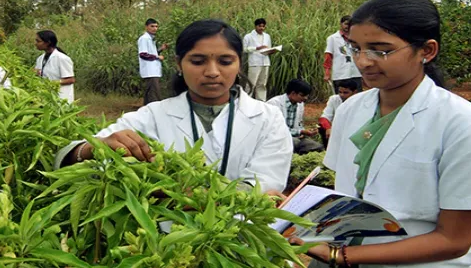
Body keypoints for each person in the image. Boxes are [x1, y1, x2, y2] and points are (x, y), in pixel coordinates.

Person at [296, 0, 471, 267]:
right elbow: (351, 194)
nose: (362, 62)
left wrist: (341, 255)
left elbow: (454, 240)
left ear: (427, 51)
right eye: (355, 48)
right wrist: (294, 209)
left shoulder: (465, 125)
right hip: (344, 253)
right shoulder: (350, 109)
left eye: (379, 50)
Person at [54, 19, 293, 193]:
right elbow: (67, 159)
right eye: (197, 61)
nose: (212, 72)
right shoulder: (154, 115)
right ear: (179, 64)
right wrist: (94, 148)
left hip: (243, 243)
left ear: (239, 63)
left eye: (225, 61)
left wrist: (173, 192)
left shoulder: (267, 118)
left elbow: (266, 184)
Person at [267, 79, 324, 154]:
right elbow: (274, 129)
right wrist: (299, 132)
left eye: (306, 95)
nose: (305, 98)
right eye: (302, 95)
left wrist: (303, 132)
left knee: (317, 147)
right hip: (278, 138)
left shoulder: (300, 104)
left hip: (296, 137)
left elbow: (299, 124)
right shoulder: (274, 104)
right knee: (295, 142)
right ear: (293, 93)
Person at [324, 15, 363, 94]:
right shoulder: (333, 38)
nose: (348, 26)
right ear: (341, 24)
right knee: (341, 98)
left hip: (355, 73)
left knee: (357, 98)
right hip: (340, 74)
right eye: (346, 24)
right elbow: (328, 56)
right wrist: (327, 72)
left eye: (350, 24)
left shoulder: (357, 38)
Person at [34, 30, 75, 102]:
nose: (36, 44)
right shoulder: (40, 59)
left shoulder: (62, 58)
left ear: (47, 42)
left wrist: (52, 83)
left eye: (38, 41)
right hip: (46, 96)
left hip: (61, 97)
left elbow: (71, 79)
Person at [317, 78, 360, 148]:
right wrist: (328, 128)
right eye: (340, 92)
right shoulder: (334, 99)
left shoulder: (360, 101)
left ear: (354, 92)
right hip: (337, 129)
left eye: (345, 92)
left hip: (353, 130)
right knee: (321, 127)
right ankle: (327, 148)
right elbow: (324, 118)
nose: (342, 95)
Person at [138, 18, 168, 105]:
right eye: (152, 26)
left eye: (156, 26)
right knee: (154, 93)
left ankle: (146, 112)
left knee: (149, 93)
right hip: (150, 71)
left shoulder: (151, 39)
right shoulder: (144, 39)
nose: (155, 28)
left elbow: (150, 52)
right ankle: (156, 112)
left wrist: (160, 49)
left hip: (153, 70)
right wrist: (158, 57)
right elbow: (143, 54)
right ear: (146, 27)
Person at [243, 18, 273, 100]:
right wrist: (256, 48)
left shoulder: (267, 36)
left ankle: (261, 102)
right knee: (251, 83)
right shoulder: (249, 36)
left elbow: (268, 47)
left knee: (262, 84)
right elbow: (244, 49)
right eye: (260, 26)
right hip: (255, 62)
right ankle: (246, 100)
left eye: (263, 26)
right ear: (255, 26)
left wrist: (271, 51)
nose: (262, 28)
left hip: (265, 62)